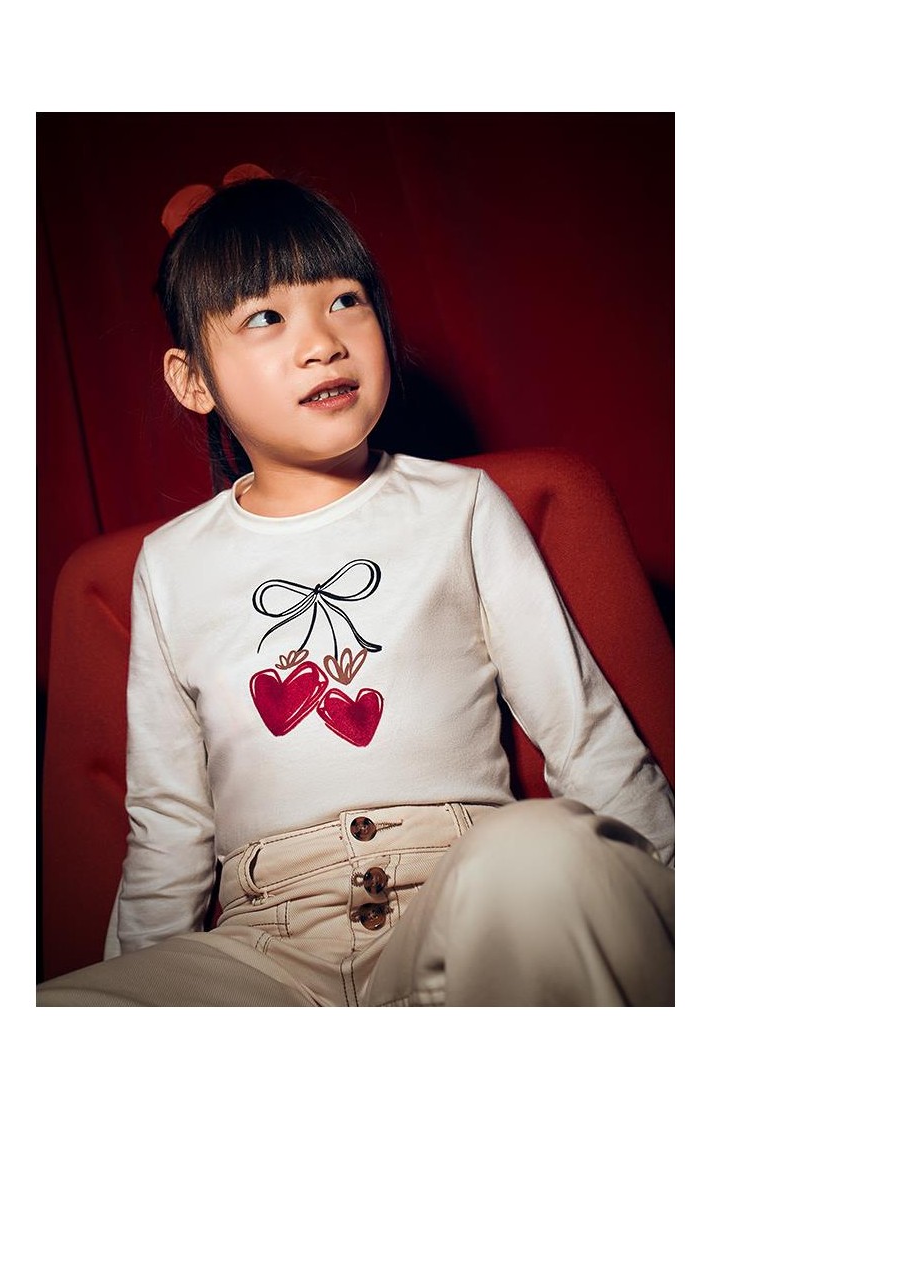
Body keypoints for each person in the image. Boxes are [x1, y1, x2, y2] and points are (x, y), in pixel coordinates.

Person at [37, 175, 675, 1007]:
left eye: (345, 300)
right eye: (265, 318)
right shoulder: (169, 564)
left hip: (460, 901)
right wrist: (141, 979)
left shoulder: (460, 506)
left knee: (549, 852)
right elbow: (167, 824)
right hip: (265, 943)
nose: (322, 342)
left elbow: (581, 727)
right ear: (193, 381)